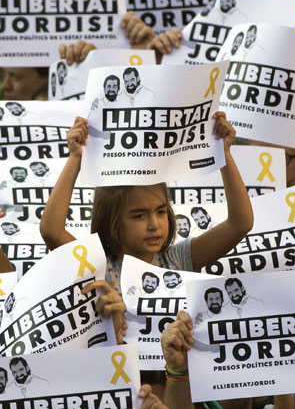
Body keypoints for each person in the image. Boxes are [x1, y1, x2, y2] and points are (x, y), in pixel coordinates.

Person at [40, 112, 254, 294]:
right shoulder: (97, 266)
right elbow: (52, 231)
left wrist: (223, 153)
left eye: (161, 212)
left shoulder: (177, 259)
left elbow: (240, 224)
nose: (154, 224)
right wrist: (75, 158)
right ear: (111, 221)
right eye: (139, 215)